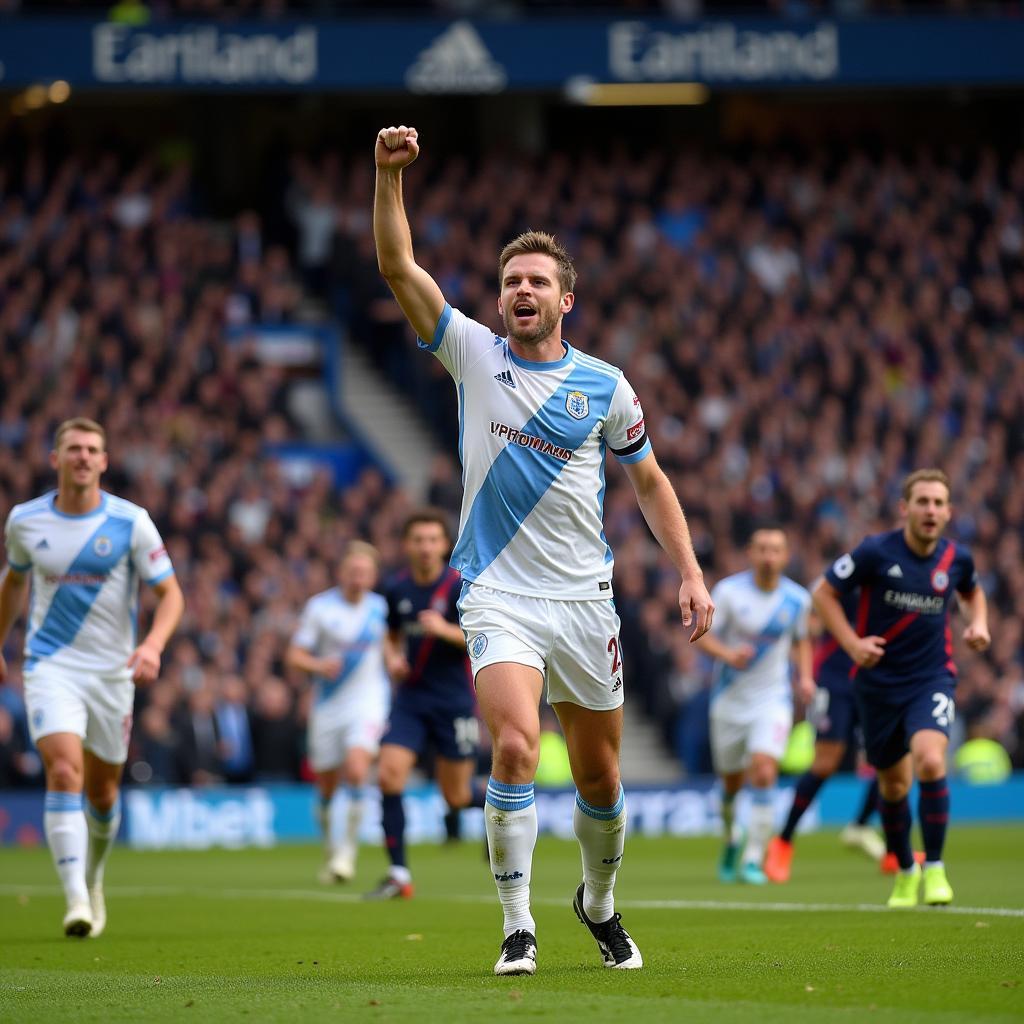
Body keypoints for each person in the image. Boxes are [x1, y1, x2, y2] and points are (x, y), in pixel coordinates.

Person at [373, 125, 713, 976]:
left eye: (536, 282)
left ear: (568, 299)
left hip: (584, 601)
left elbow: (650, 482)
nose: (520, 291)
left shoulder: (606, 384)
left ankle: (596, 902)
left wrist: (690, 572)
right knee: (517, 747)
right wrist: (388, 180)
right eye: (509, 281)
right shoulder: (471, 354)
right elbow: (397, 269)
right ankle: (516, 924)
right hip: (496, 595)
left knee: (600, 780)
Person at [0, 417, 184, 937]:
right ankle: (76, 899)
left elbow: (170, 594)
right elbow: (13, 583)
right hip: (50, 665)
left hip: (112, 673)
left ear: (104, 461)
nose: (83, 456)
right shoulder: (25, 521)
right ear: (55, 459)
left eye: (92, 449)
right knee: (63, 772)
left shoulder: (132, 522)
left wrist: (152, 644)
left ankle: (94, 875)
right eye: (73, 448)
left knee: (104, 793)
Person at [812, 468, 990, 908]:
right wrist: (852, 644)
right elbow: (823, 594)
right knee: (893, 787)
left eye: (938, 503)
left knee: (931, 761)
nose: (930, 510)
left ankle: (935, 870)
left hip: (931, 678)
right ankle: (906, 871)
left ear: (948, 512)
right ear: (905, 508)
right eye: (923, 501)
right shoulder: (875, 551)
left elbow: (972, 593)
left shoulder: (956, 559)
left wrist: (979, 623)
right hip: (877, 686)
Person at [365, 508, 485, 901]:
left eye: (433, 539)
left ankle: (500, 808)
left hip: (452, 701)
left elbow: (479, 639)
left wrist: (444, 629)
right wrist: (391, 658)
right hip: (411, 700)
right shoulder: (396, 588)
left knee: (456, 796)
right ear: (406, 545)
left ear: (444, 545)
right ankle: (398, 872)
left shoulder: (458, 588)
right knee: (389, 776)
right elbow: (391, 635)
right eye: (418, 540)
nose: (425, 547)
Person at [696, 526, 814, 885]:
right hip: (730, 700)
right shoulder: (729, 593)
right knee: (731, 784)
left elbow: (802, 641)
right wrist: (729, 655)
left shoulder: (797, 600)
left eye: (775, 549)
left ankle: (753, 858)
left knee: (763, 770)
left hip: (772, 699)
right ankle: (733, 837)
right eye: (761, 548)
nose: (768, 556)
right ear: (750, 553)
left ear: (785, 556)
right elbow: (702, 635)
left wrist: (806, 678)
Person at [763, 595, 889, 884]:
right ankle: (783, 842)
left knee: (891, 759)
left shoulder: (896, 580)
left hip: (876, 680)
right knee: (824, 763)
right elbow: (811, 623)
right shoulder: (846, 579)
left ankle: (880, 840)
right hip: (835, 681)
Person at [285, 542, 390, 884]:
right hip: (328, 705)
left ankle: (347, 852)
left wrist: (397, 664)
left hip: (368, 702)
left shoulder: (381, 609)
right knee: (327, 786)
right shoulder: (320, 608)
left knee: (358, 769)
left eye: (365, 572)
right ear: (341, 572)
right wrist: (318, 665)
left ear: (373, 576)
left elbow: (391, 649)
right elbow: (294, 655)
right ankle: (332, 847)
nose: (358, 578)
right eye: (353, 571)